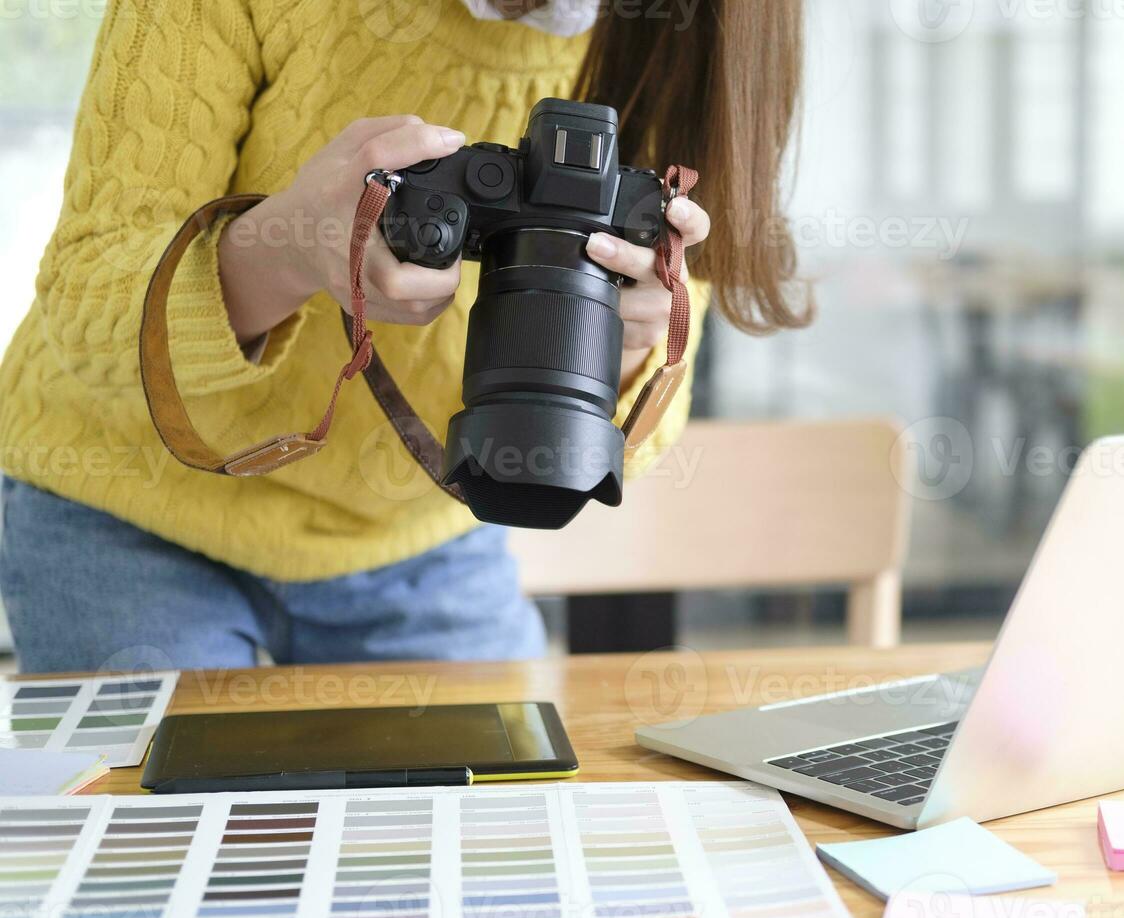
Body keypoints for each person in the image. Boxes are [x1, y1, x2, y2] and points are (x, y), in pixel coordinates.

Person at [0, 0, 808, 672]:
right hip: (127, 508)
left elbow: (645, 426)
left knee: (503, 840)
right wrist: (287, 248)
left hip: (423, 536)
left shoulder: (695, 32)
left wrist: (633, 340)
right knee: (173, 849)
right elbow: (85, 301)